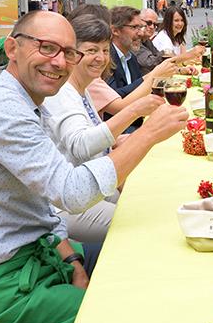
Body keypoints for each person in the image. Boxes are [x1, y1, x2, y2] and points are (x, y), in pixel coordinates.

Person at [0, 11, 188, 323]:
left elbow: (45, 204)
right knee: (131, 315)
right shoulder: (1, 107)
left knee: (139, 256)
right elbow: (71, 193)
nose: (59, 62)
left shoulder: (30, 100)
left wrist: (72, 258)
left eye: (68, 52)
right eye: (46, 48)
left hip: (38, 258)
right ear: (12, 48)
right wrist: (147, 135)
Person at [42, 15, 164, 242]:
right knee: (141, 229)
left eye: (105, 51)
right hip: (65, 205)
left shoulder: (82, 88)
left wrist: (119, 141)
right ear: (71, 53)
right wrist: (136, 114)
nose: (100, 58)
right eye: (91, 51)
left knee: (152, 206)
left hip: (92, 188)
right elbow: (80, 146)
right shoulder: (62, 93)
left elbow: (92, 139)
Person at [107, 6, 145, 97]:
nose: (141, 33)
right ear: (115, 31)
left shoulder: (132, 58)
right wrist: (150, 77)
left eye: (140, 27)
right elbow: (113, 97)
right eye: (134, 27)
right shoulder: (106, 59)